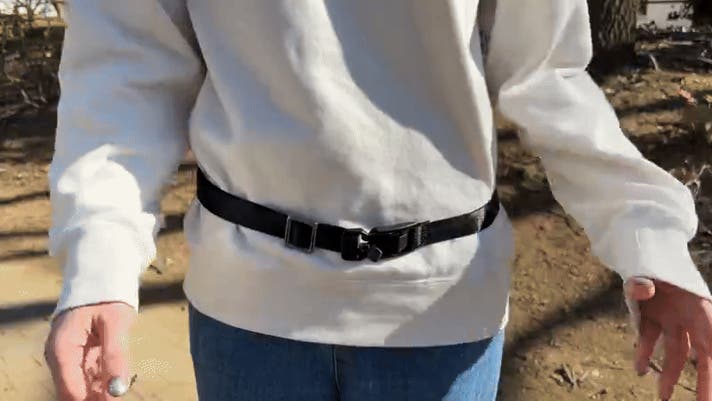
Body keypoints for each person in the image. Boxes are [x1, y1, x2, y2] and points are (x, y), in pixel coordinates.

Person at [43, 0, 712, 400]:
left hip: (441, 314)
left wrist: (645, 234)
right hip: (250, 314)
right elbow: (126, 64)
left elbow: (546, 75)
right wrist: (100, 260)